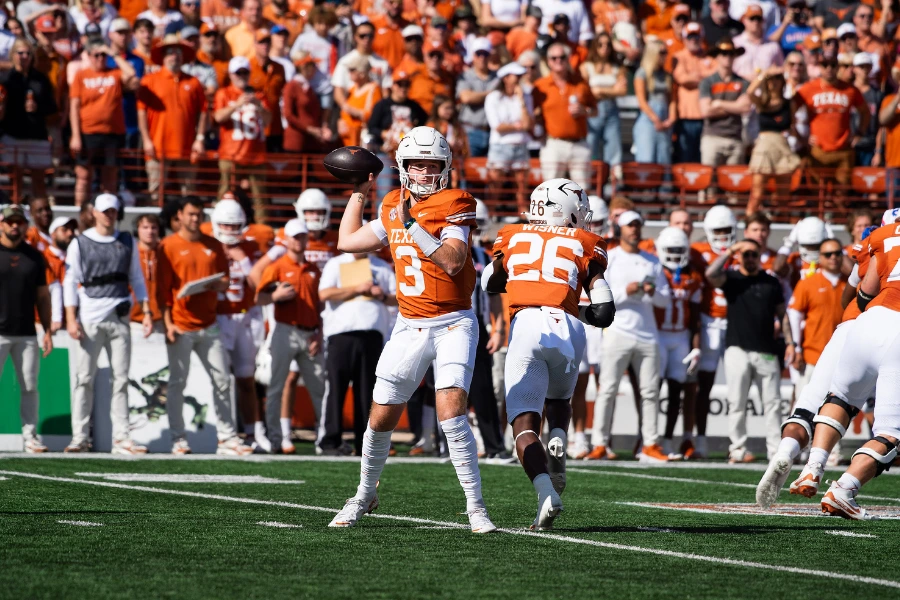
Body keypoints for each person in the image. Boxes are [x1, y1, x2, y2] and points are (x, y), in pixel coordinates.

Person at [329, 126, 496, 533]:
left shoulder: (454, 201)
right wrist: (358, 192)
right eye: (418, 165)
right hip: (410, 324)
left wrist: (413, 225)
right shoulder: (391, 203)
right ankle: (365, 494)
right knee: (381, 417)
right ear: (403, 168)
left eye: (433, 165)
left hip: (454, 321)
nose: (425, 173)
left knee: (451, 412)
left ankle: (476, 507)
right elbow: (347, 242)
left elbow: (455, 261)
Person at [483, 178, 611, 529]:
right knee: (559, 399)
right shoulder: (585, 242)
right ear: (567, 211)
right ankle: (560, 434)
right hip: (568, 326)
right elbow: (605, 312)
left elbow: (490, 284)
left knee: (524, 424)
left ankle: (545, 492)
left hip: (526, 324)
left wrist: (518, 275)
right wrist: (572, 308)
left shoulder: (511, 235)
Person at [786, 216, 899, 519]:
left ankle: (812, 469)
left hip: (867, 321)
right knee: (891, 433)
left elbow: (864, 290)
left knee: (840, 398)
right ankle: (844, 489)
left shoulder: (884, 234)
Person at [156, 196, 252, 456]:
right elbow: (162, 290)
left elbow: (224, 281)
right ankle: (178, 438)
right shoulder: (168, 246)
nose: (195, 218)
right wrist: (167, 324)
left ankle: (227, 438)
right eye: (190, 214)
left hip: (210, 324)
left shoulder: (213, 244)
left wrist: (214, 284)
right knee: (178, 383)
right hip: (181, 324)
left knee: (223, 380)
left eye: (199, 214)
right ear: (180, 216)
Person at [63, 193, 151, 455]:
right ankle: (80, 436)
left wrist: (146, 310)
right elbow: (70, 280)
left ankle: (122, 437)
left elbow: (136, 277)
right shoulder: (79, 242)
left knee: (121, 379)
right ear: (95, 213)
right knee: (84, 378)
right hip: (90, 315)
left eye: (113, 210)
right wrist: (70, 317)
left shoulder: (127, 240)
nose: (109, 215)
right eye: (105, 211)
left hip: (120, 315)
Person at [591, 210, 671, 462]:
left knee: (650, 392)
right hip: (616, 331)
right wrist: (626, 292)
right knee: (607, 390)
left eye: (637, 225)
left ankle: (650, 444)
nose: (634, 230)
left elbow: (665, 300)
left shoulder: (652, 260)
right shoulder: (611, 258)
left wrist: (650, 291)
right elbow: (601, 295)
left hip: (647, 334)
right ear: (620, 229)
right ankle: (599, 443)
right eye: (629, 226)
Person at [706, 238, 785, 463]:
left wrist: (790, 343)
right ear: (740, 256)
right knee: (737, 401)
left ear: (760, 255)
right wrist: (731, 250)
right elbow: (711, 273)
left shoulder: (771, 281)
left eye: (753, 254)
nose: (750, 258)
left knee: (772, 403)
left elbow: (782, 314)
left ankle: (775, 451)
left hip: (766, 348)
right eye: (746, 254)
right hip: (737, 348)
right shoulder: (732, 278)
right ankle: (738, 449)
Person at [318, 250, 397, 454]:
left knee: (367, 391)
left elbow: (397, 298)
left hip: (371, 334)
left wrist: (382, 295)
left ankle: (365, 443)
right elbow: (324, 293)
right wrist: (356, 289)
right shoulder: (335, 263)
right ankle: (330, 441)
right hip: (341, 333)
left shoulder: (381, 266)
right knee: (336, 388)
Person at [209, 199, 269, 452]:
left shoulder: (251, 247)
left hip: (245, 318)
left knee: (246, 379)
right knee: (219, 379)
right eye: (225, 225)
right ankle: (221, 431)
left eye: (235, 226)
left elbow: (260, 284)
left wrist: (243, 260)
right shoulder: (209, 247)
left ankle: (253, 431)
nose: (231, 231)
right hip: (218, 318)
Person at [0, 204, 52, 453]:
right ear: (2, 223)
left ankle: (30, 436)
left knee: (30, 386)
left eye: (19, 221)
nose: (14, 225)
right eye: (10, 221)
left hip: (27, 333)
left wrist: (48, 330)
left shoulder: (34, 256)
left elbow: (43, 296)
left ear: (25, 225)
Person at [691, 205, 737, 458]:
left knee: (737, 386)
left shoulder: (742, 253)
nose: (721, 235)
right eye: (717, 230)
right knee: (704, 385)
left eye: (726, 230)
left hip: (735, 323)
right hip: (709, 322)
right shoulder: (697, 252)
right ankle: (700, 441)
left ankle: (736, 446)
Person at [137, 34, 207, 197]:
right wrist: (146, 140)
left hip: (187, 147)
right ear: (163, 56)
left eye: (178, 52)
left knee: (188, 194)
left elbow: (203, 112)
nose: (174, 56)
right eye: (170, 52)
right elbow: (141, 112)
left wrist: (200, 138)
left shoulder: (193, 82)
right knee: (155, 193)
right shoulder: (149, 81)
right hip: (157, 145)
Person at [69, 38, 137, 206]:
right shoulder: (81, 75)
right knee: (84, 175)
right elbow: (74, 106)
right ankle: (80, 210)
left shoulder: (114, 73)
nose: (100, 58)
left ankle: (109, 209)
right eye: (96, 55)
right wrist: (75, 135)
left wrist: (114, 55)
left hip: (112, 133)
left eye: (103, 55)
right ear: (89, 56)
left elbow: (131, 74)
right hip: (88, 132)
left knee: (110, 177)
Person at [655, 226, 703, 460]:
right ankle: (648, 440)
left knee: (676, 392)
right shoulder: (655, 271)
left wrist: (696, 346)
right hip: (658, 335)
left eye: (679, 250)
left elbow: (695, 317)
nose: (674, 254)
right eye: (670, 250)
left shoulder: (692, 276)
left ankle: (666, 440)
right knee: (652, 391)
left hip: (680, 337)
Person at [794, 53, 869, 196]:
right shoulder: (809, 88)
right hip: (818, 150)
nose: (829, 68)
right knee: (817, 193)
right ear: (819, 67)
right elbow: (789, 112)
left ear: (838, 67)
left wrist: (859, 133)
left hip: (843, 150)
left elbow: (865, 112)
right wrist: (801, 137)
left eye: (833, 65)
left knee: (841, 195)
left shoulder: (850, 90)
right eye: (825, 65)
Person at [786, 238, 846, 402]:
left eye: (837, 253)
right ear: (820, 257)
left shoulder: (850, 284)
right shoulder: (807, 283)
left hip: (842, 360)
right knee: (803, 411)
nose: (833, 257)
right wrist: (796, 348)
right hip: (812, 357)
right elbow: (794, 316)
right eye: (828, 254)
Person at [213, 56, 271, 223]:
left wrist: (259, 105)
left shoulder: (259, 94)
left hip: (256, 154)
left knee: (260, 196)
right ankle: (219, 221)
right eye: (238, 73)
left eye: (245, 72)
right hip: (231, 153)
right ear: (231, 75)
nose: (241, 76)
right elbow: (218, 117)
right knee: (225, 192)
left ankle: (262, 228)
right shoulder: (224, 93)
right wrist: (237, 105)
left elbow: (268, 120)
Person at [0, 38, 58, 199]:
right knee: (15, 178)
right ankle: (15, 210)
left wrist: (38, 107)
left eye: (28, 53)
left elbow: (52, 107)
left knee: (38, 178)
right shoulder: (5, 79)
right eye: (20, 53)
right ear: (13, 55)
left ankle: (39, 209)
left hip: (36, 134)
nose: (24, 57)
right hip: (12, 135)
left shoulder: (41, 79)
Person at [533, 42, 594, 190]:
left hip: (579, 143)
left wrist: (584, 111)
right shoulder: (540, 85)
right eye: (554, 58)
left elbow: (595, 110)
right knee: (551, 190)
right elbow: (533, 114)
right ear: (548, 62)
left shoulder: (580, 83)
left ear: (568, 59)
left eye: (562, 57)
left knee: (582, 190)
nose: (558, 61)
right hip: (553, 143)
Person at [746, 67, 800, 214]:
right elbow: (750, 92)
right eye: (771, 79)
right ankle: (749, 222)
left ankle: (783, 224)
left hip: (782, 145)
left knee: (783, 197)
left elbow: (794, 126)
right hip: (764, 146)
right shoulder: (761, 102)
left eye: (777, 78)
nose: (774, 82)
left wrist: (804, 142)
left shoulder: (789, 103)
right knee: (756, 194)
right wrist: (764, 74)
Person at [484, 61, 533, 216]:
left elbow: (528, 124)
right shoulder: (494, 97)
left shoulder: (525, 96)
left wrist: (522, 101)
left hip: (520, 145)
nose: (518, 79)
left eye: (520, 76)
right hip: (500, 146)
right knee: (495, 186)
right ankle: (489, 216)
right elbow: (497, 126)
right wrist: (518, 126)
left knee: (521, 188)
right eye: (515, 76)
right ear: (505, 78)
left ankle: (522, 217)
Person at [700, 38, 750, 168]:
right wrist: (735, 106)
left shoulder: (743, 82)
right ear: (716, 57)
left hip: (735, 138)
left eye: (731, 54)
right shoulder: (708, 82)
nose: (727, 57)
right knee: (709, 183)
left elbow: (745, 107)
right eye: (723, 54)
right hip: (712, 137)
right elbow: (706, 111)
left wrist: (718, 103)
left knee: (733, 184)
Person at [673, 22, 716, 163]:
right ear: (684, 39)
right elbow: (682, 79)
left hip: (706, 116)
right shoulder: (678, 57)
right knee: (686, 156)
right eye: (690, 37)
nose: (693, 40)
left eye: (696, 37)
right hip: (686, 116)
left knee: (703, 158)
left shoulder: (708, 57)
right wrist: (704, 77)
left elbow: (716, 78)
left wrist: (694, 76)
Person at [582, 32, 625, 171]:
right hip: (593, 110)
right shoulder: (587, 66)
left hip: (611, 109)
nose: (604, 48)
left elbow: (622, 90)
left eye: (607, 44)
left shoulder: (616, 67)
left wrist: (600, 90)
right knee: (590, 147)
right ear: (595, 46)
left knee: (614, 149)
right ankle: (591, 182)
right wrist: (612, 90)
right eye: (600, 44)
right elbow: (586, 91)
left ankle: (613, 184)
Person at [633, 40, 675, 165]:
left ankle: (664, 185)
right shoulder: (642, 73)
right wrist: (656, 120)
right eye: (661, 52)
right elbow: (642, 101)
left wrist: (671, 119)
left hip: (664, 120)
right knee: (647, 160)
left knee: (664, 160)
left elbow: (672, 100)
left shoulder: (667, 75)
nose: (665, 55)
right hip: (648, 120)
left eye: (665, 52)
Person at [456, 37, 497, 158]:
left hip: (492, 132)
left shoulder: (498, 77)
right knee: (469, 171)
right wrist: (491, 94)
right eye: (478, 53)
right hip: (470, 130)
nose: (482, 57)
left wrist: (478, 96)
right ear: (473, 56)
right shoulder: (465, 76)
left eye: (485, 53)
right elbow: (466, 98)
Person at [732, 4, 784, 82]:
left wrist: (770, 73)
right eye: (752, 18)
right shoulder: (735, 43)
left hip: (765, 90)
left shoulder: (773, 46)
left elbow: (781, 69)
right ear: (744, 20)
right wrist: (745, 78)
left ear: (764, 21)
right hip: (740, 89)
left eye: (758, 19)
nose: (755, 22)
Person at [337, 55, 381, 147]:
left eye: (352, 70)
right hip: (346, 141)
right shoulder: (352, 89)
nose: (349, 73)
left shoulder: (373, 89)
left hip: (360, 142)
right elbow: (344, 112)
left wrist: (351, 110)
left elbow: (373, 116)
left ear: (362, 73)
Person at [850, 53, 882, 167]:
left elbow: (880, 125)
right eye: (861, 66)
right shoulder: (848, 91)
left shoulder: (877, 94)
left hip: (870, 146)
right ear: (854, 69)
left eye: (867, 66)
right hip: (850, 146)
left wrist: (878, 152)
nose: (864, 70)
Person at [131, 213, 162, 330]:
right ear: (137, 230)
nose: (150, 231)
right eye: (145, 227)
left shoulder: (165, 252)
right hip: (134, 319)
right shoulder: (131, 253)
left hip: (161, 318)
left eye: (153, 227)